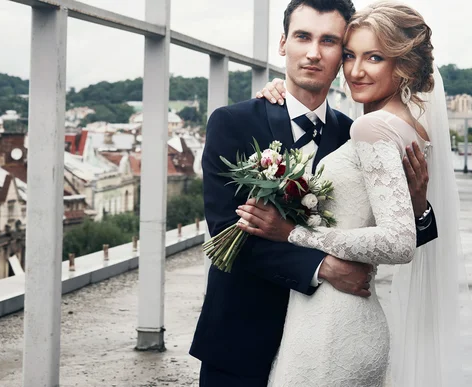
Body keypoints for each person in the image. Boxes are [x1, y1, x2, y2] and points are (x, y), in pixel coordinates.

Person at [190, 1, 437, 386]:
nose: (313, 52)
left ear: (342, 54)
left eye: (329, 41)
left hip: (328, 338)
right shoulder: (234, 122)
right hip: (242, 336)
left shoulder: (355, 132)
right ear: (283, 43)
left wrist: (420, 208)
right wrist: (321, 269)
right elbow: (228, 231)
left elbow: (395, 231)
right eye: (303, 37)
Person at [243, 1, 469, 386]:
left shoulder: (370, 129)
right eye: (350, 55)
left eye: (374, 57)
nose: (355, 70)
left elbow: (400, 242)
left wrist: (291, 233)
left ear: (404, 66)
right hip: (344, 320)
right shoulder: (409, 128)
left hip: (331, 326)